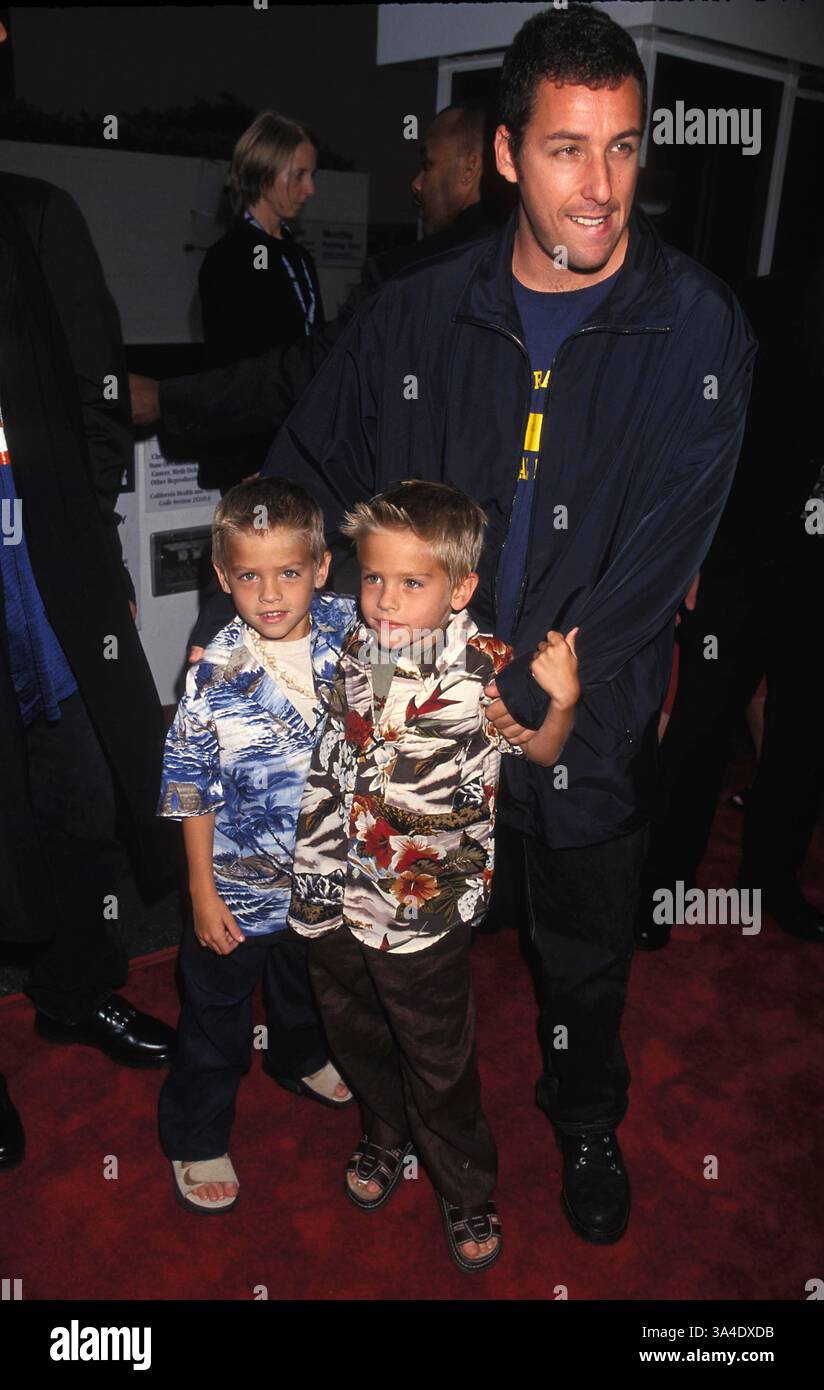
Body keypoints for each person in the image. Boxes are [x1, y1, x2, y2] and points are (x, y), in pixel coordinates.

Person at [258, 3, 757, 1244]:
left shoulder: (698, 330)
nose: (602, 188)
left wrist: (536, 697)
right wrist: (285, 615)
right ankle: (399, 1119)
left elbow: (658, 556)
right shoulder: (414, 313)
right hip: (420, 725)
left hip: (574, 719)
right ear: (502, 154)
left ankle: (582, 1116)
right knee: (398, 948)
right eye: (566, 151)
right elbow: (313, 468)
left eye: (626, 148)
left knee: (583, 953)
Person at [288, 480, 579, 1271]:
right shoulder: (351, 640)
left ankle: (463, 1184)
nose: (385, 599)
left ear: (461, 589)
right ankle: (384, 1132)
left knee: (436, 1052)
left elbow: (545, 754)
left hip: (422, 905)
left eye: (412, 583)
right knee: (352, 1024)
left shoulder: (487, 674)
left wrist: (561, 703)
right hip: (331, 881)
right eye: (374, 576)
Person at [0, 86, 178, 1171]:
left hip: (45, 583)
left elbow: (100, 397)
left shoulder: (38, 215)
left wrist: (85, 540)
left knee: (77, 802)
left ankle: (78, 992)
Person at [156, 478, 357, 1212]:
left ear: (323, 567)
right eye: (249, 575)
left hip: (327, 884)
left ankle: (299, 1059)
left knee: (308, 989)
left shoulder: (358, 633)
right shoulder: (212, 672)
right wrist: (201, 895)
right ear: (222, 577)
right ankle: (196, 1132)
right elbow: (188, 785)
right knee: (216, 1022)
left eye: (289, 572)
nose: (270, 594)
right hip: (236, 892)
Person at [635, 258, 824, 950]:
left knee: (803, 737)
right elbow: (702, 434)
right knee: (700, 728)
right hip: (744, 557)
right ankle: (661, 886)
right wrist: (692, 552)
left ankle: (776, 880)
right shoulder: (763, 304)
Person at [196, 110, 324, 492]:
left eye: (311, 175)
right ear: (266, 175)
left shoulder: (298, 256)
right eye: (299, 175)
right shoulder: (230, 257)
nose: (310, 189)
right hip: (254, 460)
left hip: (296, 450)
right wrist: (252, 462)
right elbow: (234, 368)